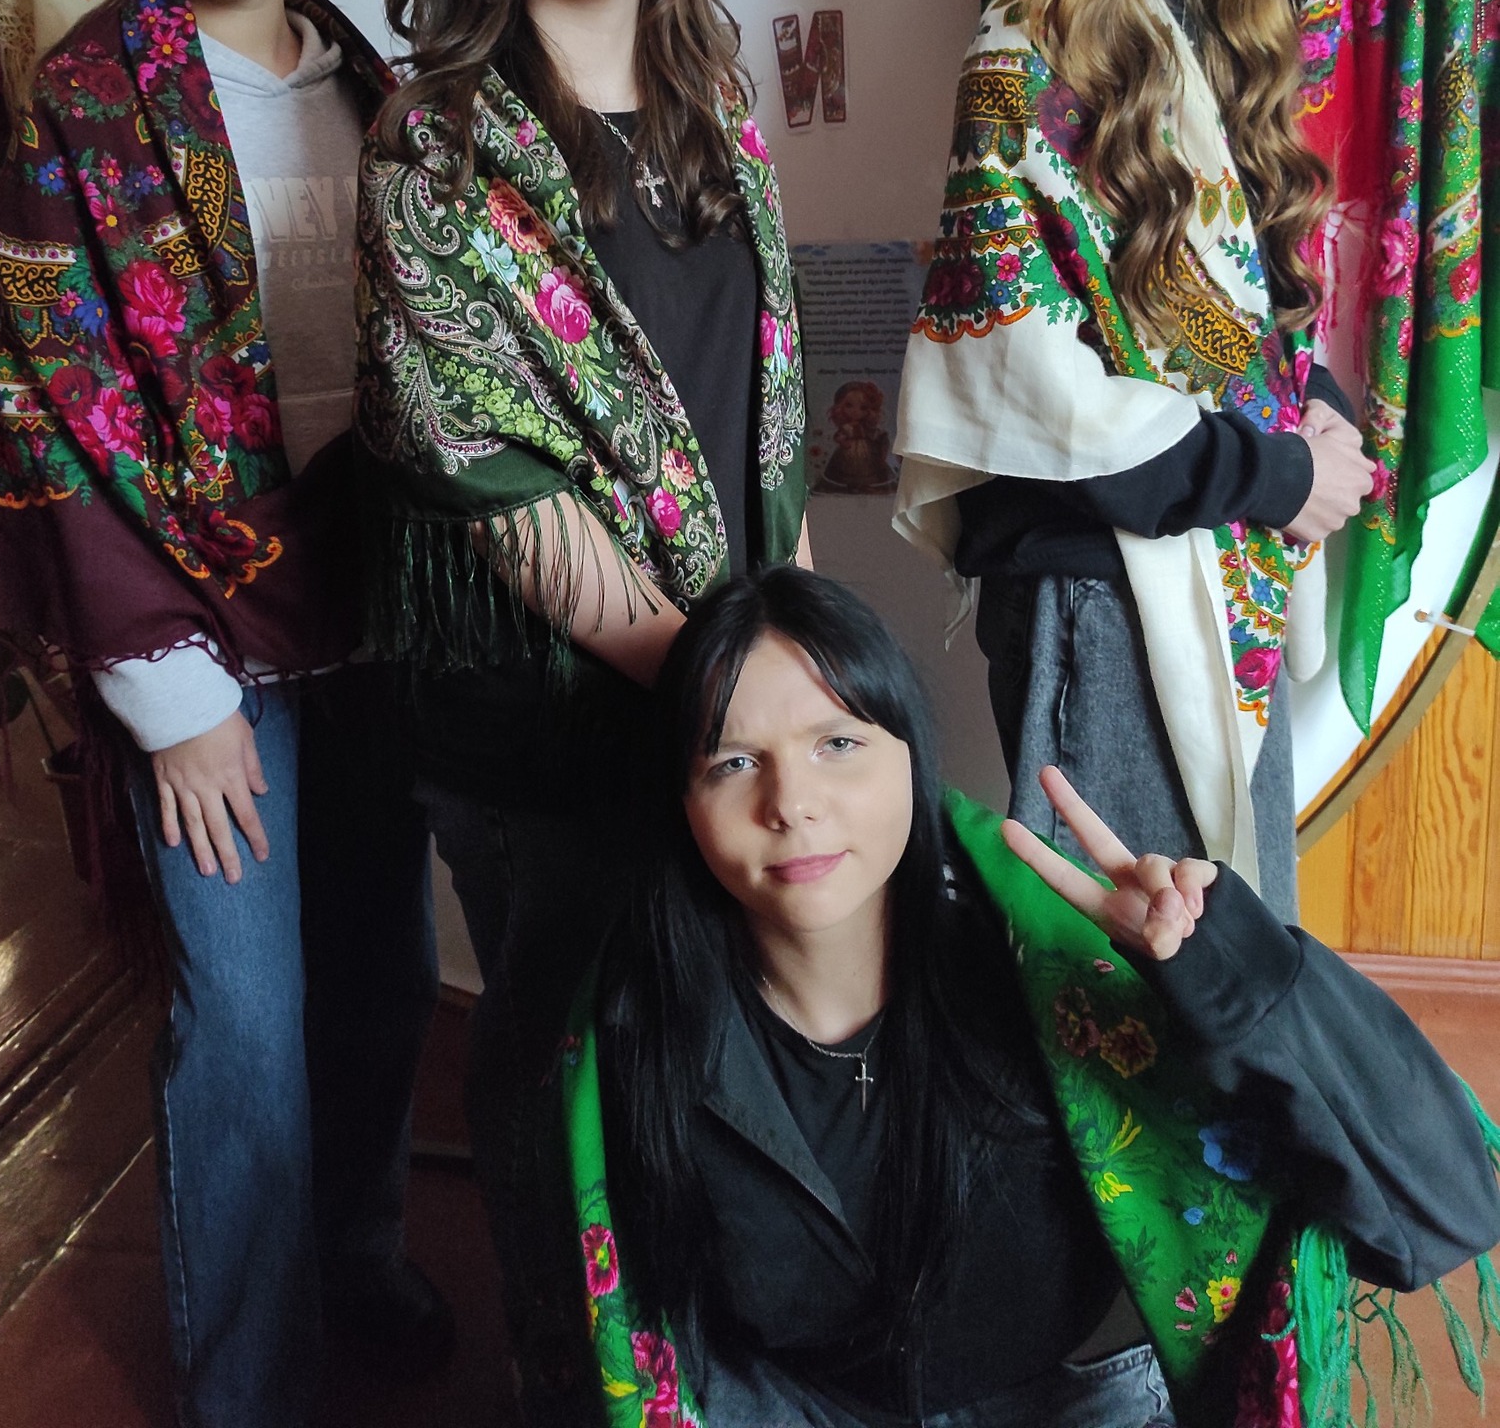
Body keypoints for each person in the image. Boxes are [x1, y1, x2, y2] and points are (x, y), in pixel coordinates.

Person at [0, 0, 444, 1428]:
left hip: (375, 611)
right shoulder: (83, 117)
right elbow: (47, 408)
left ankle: (359, 1254)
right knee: (243, 1016)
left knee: (383, 973)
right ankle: (251, 1382)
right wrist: (167, 698)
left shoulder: (373, 80)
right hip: (199, 652)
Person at [566, 565, 1500, 1428]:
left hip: (1087, 1401)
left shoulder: (1054, 980)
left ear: (910, 757)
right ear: (683, 803)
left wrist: (1227, 971)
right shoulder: (639, 1032)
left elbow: (1445, 1208)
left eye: (838, 743)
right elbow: (685, 1354)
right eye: (733, 763)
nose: (791, 804)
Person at [354, 0, 809, 1420]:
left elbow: (760, 410)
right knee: (568, 1089)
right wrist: (720, 686)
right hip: (548, 721)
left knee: (715, 1073)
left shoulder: (711, 97)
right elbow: (482, 465)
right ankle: (580, 1383)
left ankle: (718, 1380)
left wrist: (776, 669)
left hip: (725, 686)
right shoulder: (436, 145)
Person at [893, 0, 1376, 920]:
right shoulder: (1029, 44)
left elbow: (1219, 319)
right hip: (1101, 588)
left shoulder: (1203, 33)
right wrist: (1280, 474)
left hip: (1213, 566)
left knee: (1227, 966)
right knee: (1124, 983)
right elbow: (1025, 376)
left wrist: (1316, 409)